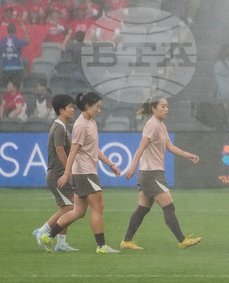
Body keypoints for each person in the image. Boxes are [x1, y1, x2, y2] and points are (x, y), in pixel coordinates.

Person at [40, 92, 122, 254]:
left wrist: (110, 164)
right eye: (97, 107)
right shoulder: (81, 125)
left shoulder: (91, 123)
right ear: (87, 106)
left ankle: (48, 236)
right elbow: (73, 151)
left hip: (85, 173)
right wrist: (67, 172)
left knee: (78, 212)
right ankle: (102, 246)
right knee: (98, 207)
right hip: (85, 173)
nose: (99, 110)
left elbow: (93, 148)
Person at [120, 97, 202, 250]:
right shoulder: (152, 125)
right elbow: (141, 147)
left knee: (143, 209)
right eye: (163, 106)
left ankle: (127, 241)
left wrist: (187, 154)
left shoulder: (161, 125)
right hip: (151, 174)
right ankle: (182, 240)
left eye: (167, 106)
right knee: (168, 206)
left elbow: (169, 146)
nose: (167, 109)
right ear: (153, 109)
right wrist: (132, 167)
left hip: (151, 173)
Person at [32, 95, 79, 251]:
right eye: (70, 107)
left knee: (67, 208)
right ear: (61, 110)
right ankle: (43, 231)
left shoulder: (62, 127)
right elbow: (59, 149)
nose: (73, 110)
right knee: (70, 208)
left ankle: (61, 244)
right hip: (58, 175)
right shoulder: (58, 127)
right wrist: (68, 171)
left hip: (57, 174)